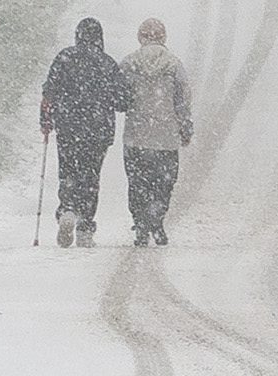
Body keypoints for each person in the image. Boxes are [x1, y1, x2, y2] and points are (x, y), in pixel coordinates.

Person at [39, 17, 131, 247]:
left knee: (68, 170)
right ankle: (85, 224)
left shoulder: (64, 58)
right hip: (98, 130)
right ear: (100, 37)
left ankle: (67, 209)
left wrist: (46, 121)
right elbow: (122, 101)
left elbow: (49, 93)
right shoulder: (107, 63)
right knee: (90, 176)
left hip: (68, 127)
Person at [120, 16, 195, 246]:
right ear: (163, 37)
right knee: (164, 182)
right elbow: (182, 99)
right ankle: (157, 219)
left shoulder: (129, 63)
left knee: (137, 182)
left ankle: (140, 223)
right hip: (165, 136)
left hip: (136, 135)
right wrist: (184, 126)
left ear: (140, 37)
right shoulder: (174, 64)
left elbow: (120, 96)